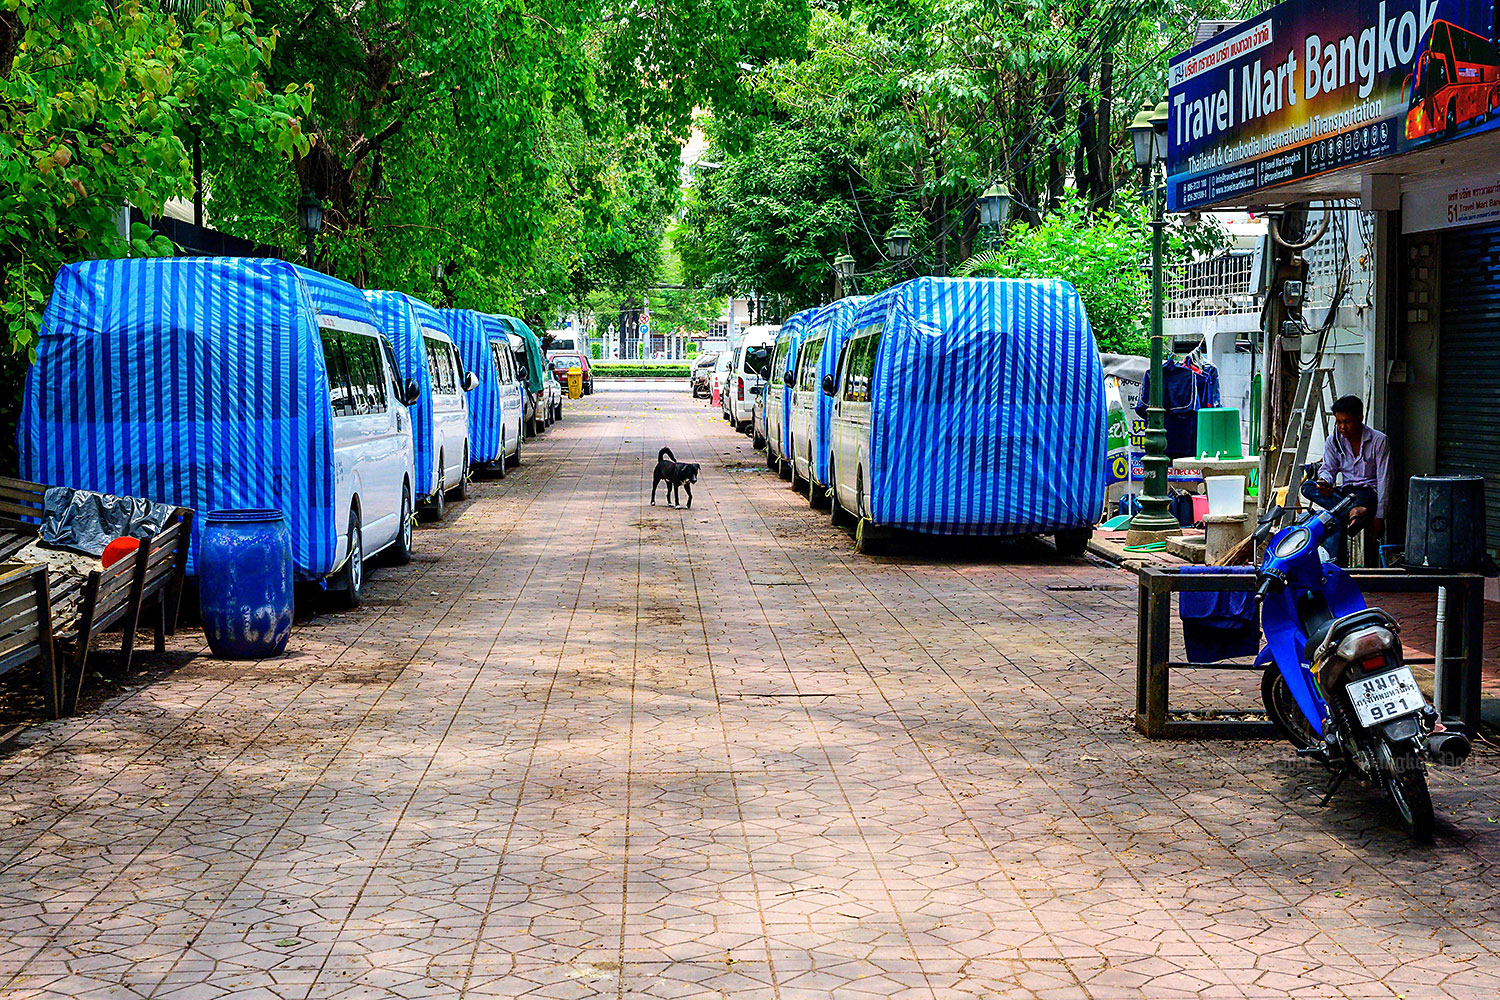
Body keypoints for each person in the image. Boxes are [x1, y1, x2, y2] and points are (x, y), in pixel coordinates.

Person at [1300, 395, 1391, 562]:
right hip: (1346, 494)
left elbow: (1384, 479)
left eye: (1347, 422)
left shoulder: (1379, 441)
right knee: (1308, 487)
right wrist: (1324, 483)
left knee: (1335, 519)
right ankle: (1351, 512)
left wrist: (1380, 516)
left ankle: (1337, 565)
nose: (1342, 427)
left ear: (1360, 418)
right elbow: (1328, 469)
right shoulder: (1333, 441)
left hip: (1367, 494)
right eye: (1339, 422)